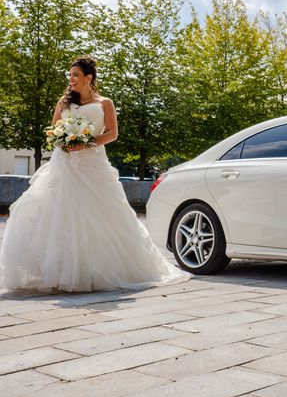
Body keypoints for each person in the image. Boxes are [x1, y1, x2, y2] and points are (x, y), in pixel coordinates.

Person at [0, 56, 192, 291]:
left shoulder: (105, 103)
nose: (71, 79)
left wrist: (86, 143)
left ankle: (99, 270)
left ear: (89, 78)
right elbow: (53, 129)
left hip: (93, 163)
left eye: (75, 75)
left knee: (100, 212)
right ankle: (59, 270)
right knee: (58, 211)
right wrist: (63, 140)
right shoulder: (63, 101)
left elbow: (112, 133)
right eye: (69, 75)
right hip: (65, 164)